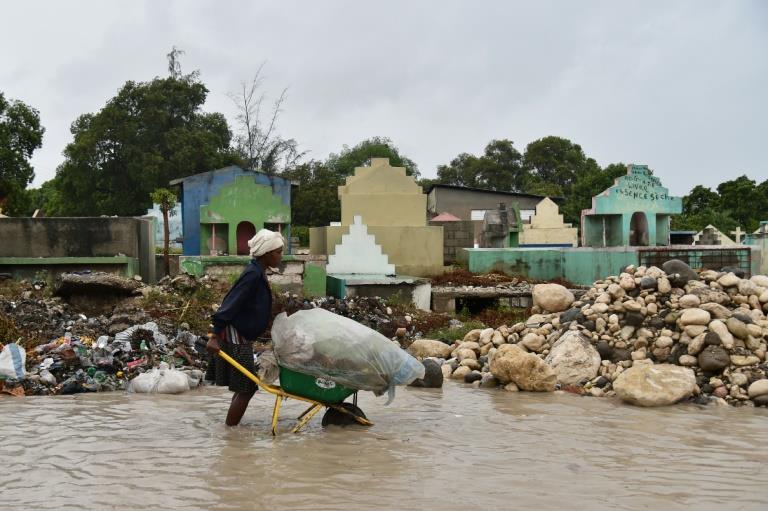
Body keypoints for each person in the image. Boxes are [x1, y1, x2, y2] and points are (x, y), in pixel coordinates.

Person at [206, 229, 284, 426]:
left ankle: (230, 431)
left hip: (242, 334)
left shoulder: (257, 271)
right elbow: (229, 304)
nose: (280, 256)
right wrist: (214, 336)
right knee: (247, 388)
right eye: (278, 252)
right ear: (266, 253)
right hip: (235, 335)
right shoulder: (252, 274)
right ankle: (231, 437)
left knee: (244, 388)